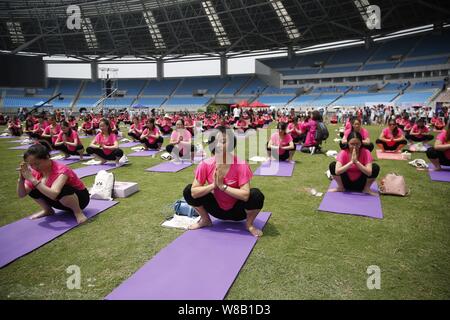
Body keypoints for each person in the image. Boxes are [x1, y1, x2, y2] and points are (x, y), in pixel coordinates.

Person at [183, 126, 265, 237]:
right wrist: (213, 186)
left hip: (238, 212)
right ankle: (205, 220)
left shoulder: (241, 164)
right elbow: (193, 193)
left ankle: (249, 225)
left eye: (223, 141)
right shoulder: (205, 164)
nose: (219, 145)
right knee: (188, 190)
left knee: (256, 195)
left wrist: (223, 186)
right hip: (216, 210)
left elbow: (245, 195)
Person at [17, 144, 89, 224]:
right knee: (33, 190)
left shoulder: (62, 170)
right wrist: (21, 179)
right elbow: (22, 194)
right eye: (31, 165)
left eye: (37, 164)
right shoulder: (35, 172)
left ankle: (78, 212)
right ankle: (48, 210)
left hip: (80, 200)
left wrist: (33, 180)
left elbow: (54, 194)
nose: (34, 167)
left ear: (47, 157)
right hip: (60, 202)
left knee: (64, 189)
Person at [329, 131, 380, 196]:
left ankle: (366, 189)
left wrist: (356, 162)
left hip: (361, 184)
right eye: (352, 144)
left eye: (357, 144)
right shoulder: (343, 152)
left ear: (361, 143)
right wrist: (351, 162)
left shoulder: (366, 152)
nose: (354, 147)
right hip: (346, 183)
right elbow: (337, 171)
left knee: (375, 167)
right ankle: (340, 187)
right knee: (333, 165)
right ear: (348, 143)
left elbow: (369, 172)